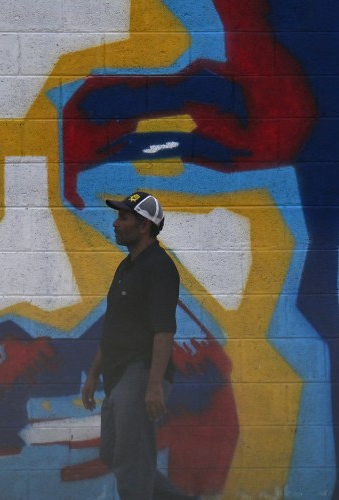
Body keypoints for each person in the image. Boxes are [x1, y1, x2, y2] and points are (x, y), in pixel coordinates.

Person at [81, 191, 194, 500]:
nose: (115, 223)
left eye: (123, 217)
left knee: (131, 464)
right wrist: (93, 375)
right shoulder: (126, 267)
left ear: (144, 226)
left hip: (141, 373)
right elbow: (114, 326)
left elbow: (164, 331)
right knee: (115, 454)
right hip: (117, 375)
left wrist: (155, 385)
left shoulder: (159, 267)